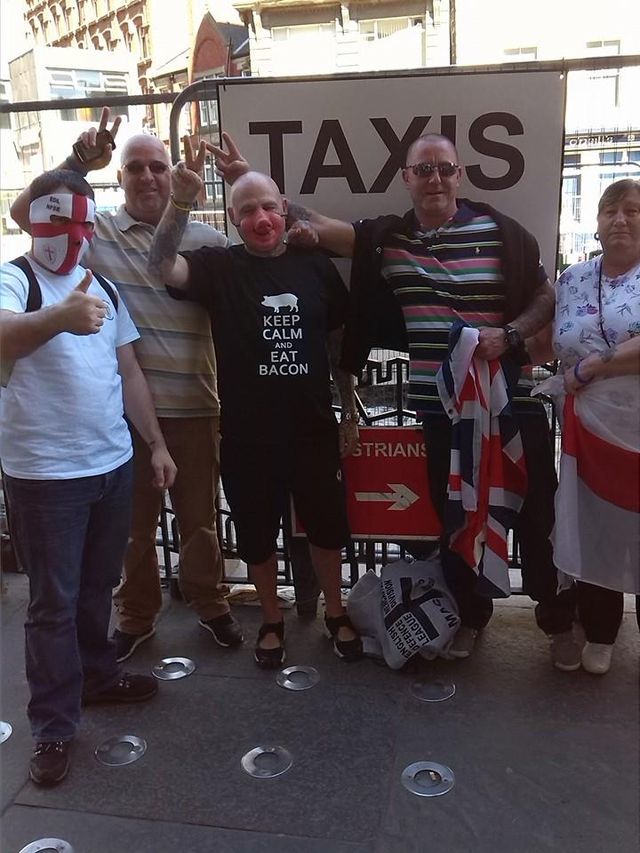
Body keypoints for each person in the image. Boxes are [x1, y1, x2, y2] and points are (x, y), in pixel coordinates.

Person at [212, 131, 578, 668]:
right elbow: (311, 227)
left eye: (444, 169)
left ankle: (557, 620)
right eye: (423, 170)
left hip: (510, 401)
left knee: (535, 510)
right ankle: (471, 618)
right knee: (456, 520)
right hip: (440, 410)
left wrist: (514, 336)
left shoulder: (501, 231)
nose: (434, 178)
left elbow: (545, 292)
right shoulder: (389, 240)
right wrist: (250, 179)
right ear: (406, 179)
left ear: (460, 175)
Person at [10, 109, 243, 661]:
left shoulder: (207, 237)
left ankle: (211, 603)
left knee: (201, 521)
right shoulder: (96, 233)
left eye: (157, 167)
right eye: (134, 167)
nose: (147, 177)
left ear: (173, 174)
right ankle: (137, 614)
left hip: (192, 402)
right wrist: (75, 164)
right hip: (122, 412)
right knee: (133, 530)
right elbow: (29, 213)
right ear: (120, 177)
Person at [147, 158, 363, 668]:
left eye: (269, 206)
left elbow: (336, 344)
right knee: (258, 534)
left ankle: (336, 611)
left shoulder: (315, 265)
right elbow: (160, 265)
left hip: (312, 428)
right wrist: (178, 201)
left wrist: (350, 410)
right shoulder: (219, 267)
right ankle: (271, 618)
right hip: (246, 434)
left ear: (284, 211)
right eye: (248, 211)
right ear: (232, 220)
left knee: (329, 528)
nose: (261, 218)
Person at [0, 169, 177, 786]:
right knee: (52, 603)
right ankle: (52, 725)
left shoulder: (101, 284)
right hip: (46, 475)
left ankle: (96, 676)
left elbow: (127, 370)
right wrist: (59, 318)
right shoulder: (16, 278)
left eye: (83, 222)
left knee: (98, 585)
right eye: (63, 221)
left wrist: (154, 444)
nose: (75, 235)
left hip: (111, 463)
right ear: (36, 218)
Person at [530, 179, 640, 674]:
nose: (621, 219)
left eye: (634, 211)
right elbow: (549, 345)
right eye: (610, 211)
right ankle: (599, 632)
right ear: (596, 224)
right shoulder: (572, 278)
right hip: (588, 430)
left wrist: (593, 367)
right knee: (596, 524)